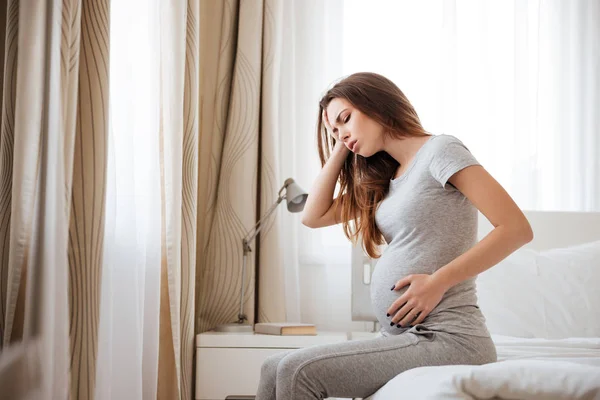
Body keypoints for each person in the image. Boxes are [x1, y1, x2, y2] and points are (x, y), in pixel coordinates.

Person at [255, 72, 533, 400]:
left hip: (449, 338)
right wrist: (341, 145)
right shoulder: (386, 180)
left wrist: (438, 282)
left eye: (346, 119)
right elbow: (312, 216)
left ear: (375, 104)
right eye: (335, 131)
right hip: (401, 337)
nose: (342, 134)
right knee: (273, 366)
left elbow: (516, 229)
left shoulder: (441, 150)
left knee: (296, 370)